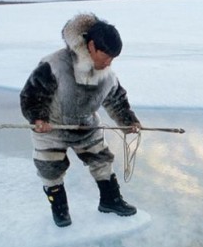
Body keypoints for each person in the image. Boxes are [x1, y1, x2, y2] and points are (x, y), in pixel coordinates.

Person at [20, 13, 141, 227]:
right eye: (106, 57)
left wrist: (128, 121)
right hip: (51, 127)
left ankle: (110, 201)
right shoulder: (54, 64)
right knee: (50, 168)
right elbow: (31, 94)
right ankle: (60, 211)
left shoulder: (108, 75)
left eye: (113, 59)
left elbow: (116, 100)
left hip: (86, 126)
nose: (109, 63)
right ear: (92, 46)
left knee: (102, 161)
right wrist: (38, 118)